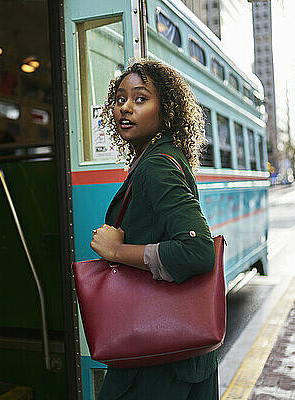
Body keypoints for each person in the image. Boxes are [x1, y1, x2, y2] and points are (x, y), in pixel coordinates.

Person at [90, 60, 219, 399]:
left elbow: (198, 251)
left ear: (167, 111)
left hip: (160, 363)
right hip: (176, 355)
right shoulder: (160, 158)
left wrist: (116, 251)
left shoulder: (156, 166)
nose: (125, 108)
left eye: (140, 98)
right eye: (119, 99)